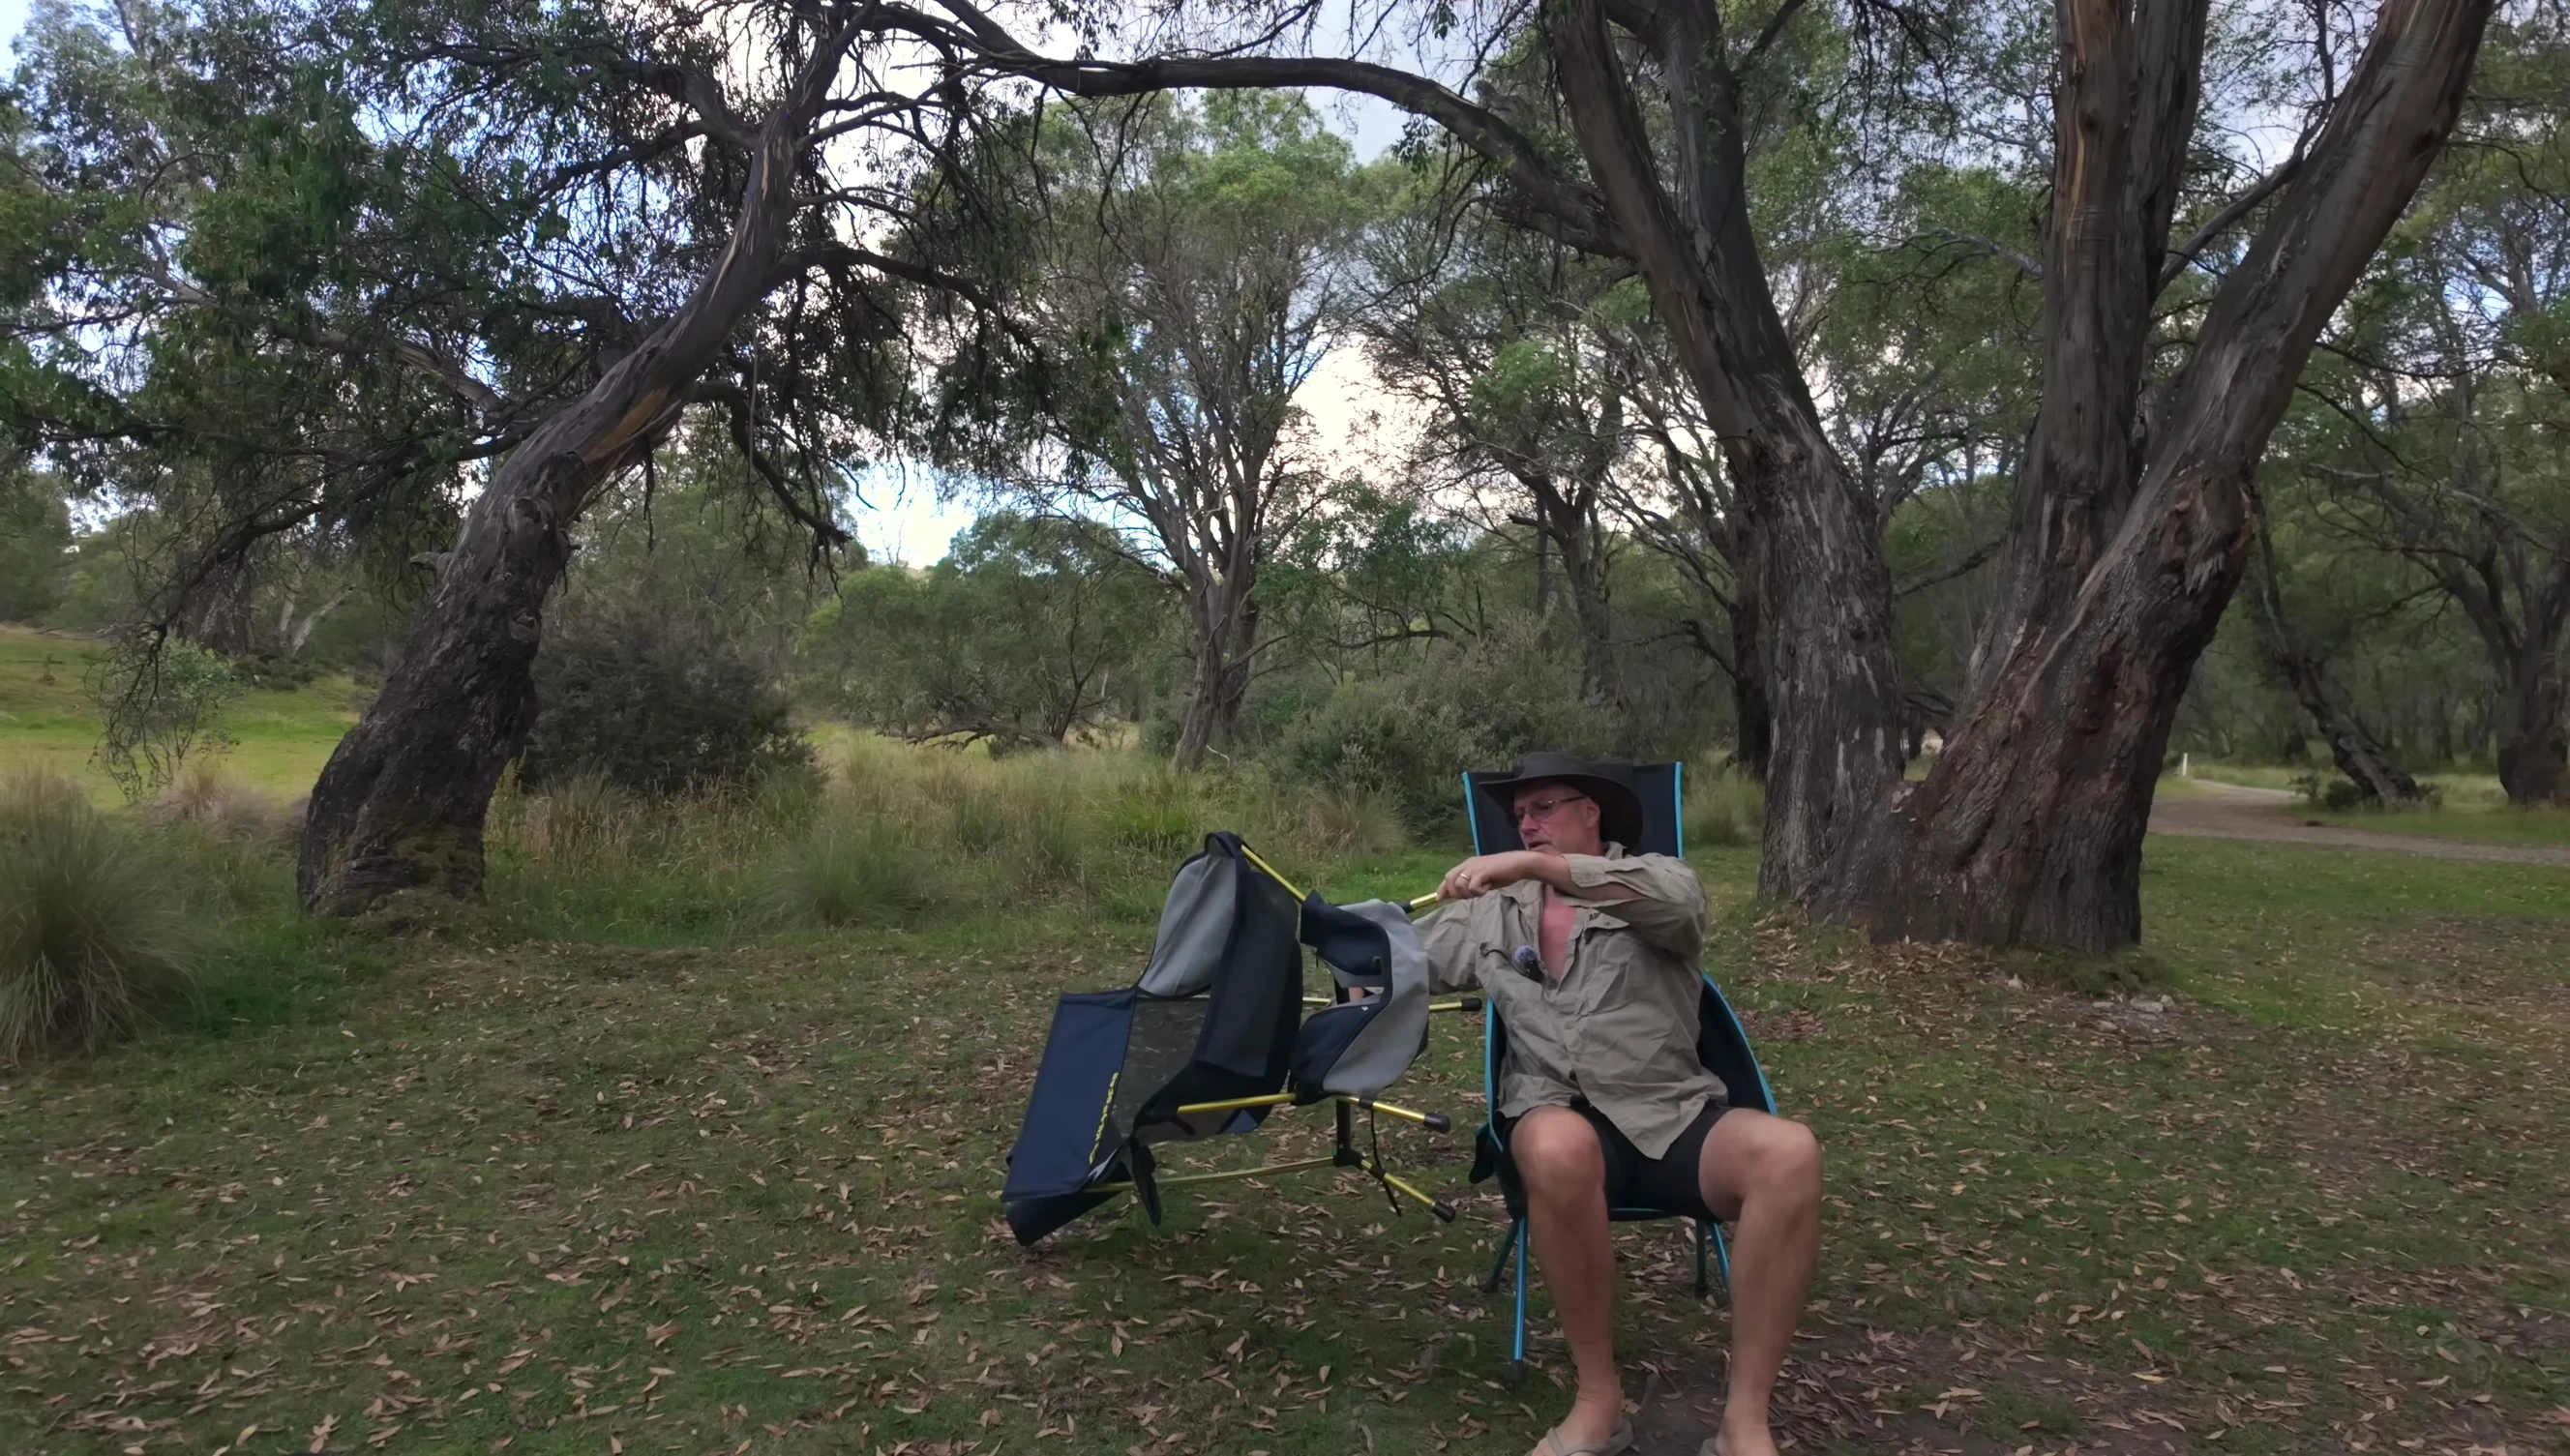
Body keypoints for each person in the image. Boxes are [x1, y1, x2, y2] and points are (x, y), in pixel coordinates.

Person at [1420, 752, 1821, 1456]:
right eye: (1519, 815)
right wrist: (1309, 937)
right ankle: (1598, 1403)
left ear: (1591, 812)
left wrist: (1535, 865)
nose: (1527, 823)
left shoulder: (1659, 878)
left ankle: (1744, 1423)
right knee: (1557, 1144)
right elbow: (1391, 956)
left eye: (1543, 807)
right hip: (1557, 1121)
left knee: (1791, 1154)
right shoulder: (1492, 913)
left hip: (1671, 1117)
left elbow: (1679, 911)